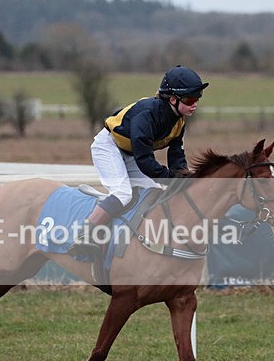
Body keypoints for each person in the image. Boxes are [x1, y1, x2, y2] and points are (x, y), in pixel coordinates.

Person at [70, 65, 209, 257]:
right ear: (173, 99)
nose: (195, 104)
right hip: (109, 147)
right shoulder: (147, 114)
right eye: (191, 99)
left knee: (152, 192)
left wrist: (183, 178)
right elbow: (145, 161)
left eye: (197, 99)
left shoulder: (179, 120)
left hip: (131, 153)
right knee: (122, 193)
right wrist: (169, 178)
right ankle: (85, 234)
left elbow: (177, 156)